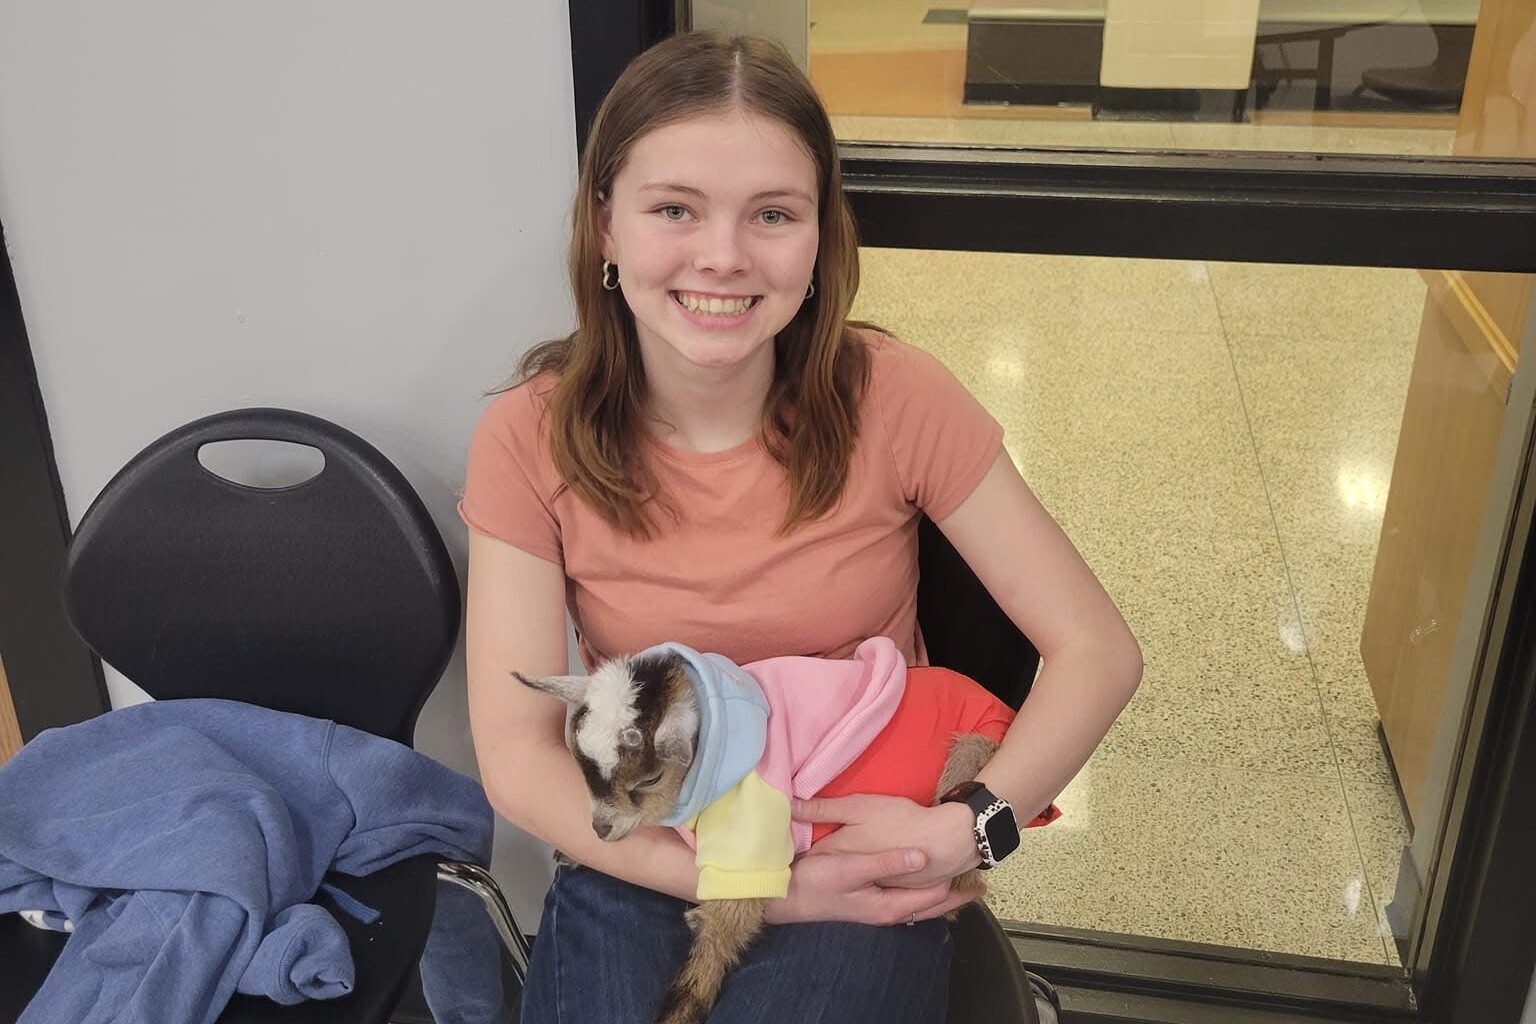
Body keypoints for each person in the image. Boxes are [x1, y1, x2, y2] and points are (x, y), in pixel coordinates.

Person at [460, 30, 1143, 1024]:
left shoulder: (897, 397)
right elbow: (518, 755)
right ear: (605, 226)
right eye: (674, 209)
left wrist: (970, 828)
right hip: (654, 843)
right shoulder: (528, 433)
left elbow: (1099, 651)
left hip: (857, 825)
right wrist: (752, 884)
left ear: (821, 238)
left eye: (773, 214)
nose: (723, 257)